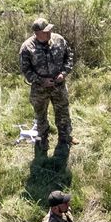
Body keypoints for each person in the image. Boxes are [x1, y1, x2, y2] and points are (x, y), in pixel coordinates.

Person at [18, 17, 75, 154]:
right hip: (39, 89)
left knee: (63, 113)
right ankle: (42, 140)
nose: (50, 32)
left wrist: (64, 73)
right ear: (37, 33)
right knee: (41, 115)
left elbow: (69, 56)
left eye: (50, 29)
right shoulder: (27, 47)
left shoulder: (59, 40)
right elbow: (25, 70)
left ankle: (65, 138)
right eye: (46, 31)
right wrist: (40, 81)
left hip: (59, 86)